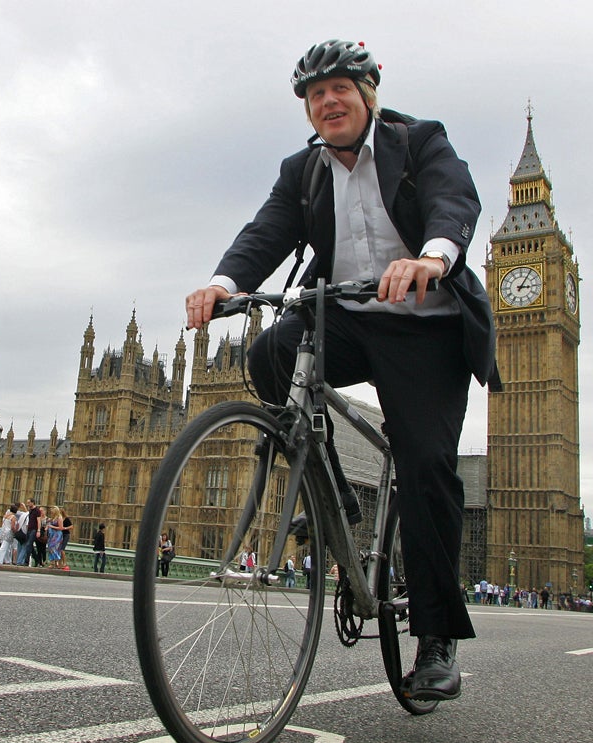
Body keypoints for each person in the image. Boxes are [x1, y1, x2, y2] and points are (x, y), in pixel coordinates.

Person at [185, 40, 498, 703]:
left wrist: (433, 257)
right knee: (270, 349)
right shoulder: (303, 171)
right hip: (348, 314)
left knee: (426, 464)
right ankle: (328, 484)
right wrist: (222, 282)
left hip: (426, 323)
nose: (329, 101)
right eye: (316, 94)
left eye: (340, 89)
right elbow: (265, 231)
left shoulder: (419, 144)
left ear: (367, 95)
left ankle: (438, 641)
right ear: (309, 107)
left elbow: (453, 201)